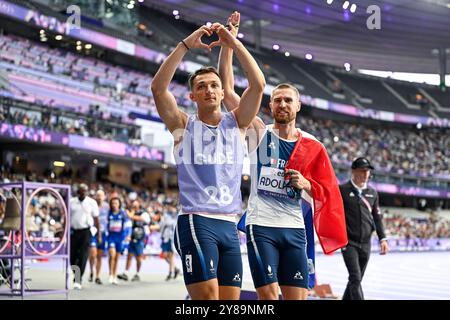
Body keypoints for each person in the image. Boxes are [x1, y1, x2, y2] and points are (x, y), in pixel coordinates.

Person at [219, 12, 347, 300]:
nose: (282, 104)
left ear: (298, 105)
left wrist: (305, 184)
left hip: (294, 229)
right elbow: (227, 91)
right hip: (261, 226)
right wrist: (229, 42)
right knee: (268, 297)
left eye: (288, 100)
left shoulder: (313, 145)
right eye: (277, 100)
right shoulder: (259, 133)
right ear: (270, 105)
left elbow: (327, 193)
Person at [151, 20, 265, 300]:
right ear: (192, 95)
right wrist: (185, 45)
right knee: (208, 300)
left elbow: (258, 85)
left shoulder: (238, 123)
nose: (210, 90)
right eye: (202, 86)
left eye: (215, 85)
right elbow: (158, 89)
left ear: (222, 92)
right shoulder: (182, 125)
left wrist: (233, 44)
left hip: (228, 224)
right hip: (196, 220)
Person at [339, 157, 389, 300]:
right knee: (355, 278)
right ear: (353, 171)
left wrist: (383, 238)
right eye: (362, 170)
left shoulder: (373, 193)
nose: (366, 174)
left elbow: (377, 217)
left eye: (367, 171)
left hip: (366, 244)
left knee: (356, 280)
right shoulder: (342, 190)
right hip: (348, 243)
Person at [69, 183, 100, 290]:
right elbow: (67, 217)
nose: (83, 193)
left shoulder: (92, 202)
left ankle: (78, 279)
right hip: (73, 232)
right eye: (81, 191)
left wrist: (99, 234)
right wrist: (64, 231)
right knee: (72, 257)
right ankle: (76, 274)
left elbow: (96, 219)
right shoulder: (71, 202)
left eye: (85, 191)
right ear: (78, 192)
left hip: (86, 231)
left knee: (82, 256)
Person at [117, 199, 150, 282]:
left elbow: (144, 219)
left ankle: (137, 274)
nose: (134, 206)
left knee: (139, 256)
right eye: (133, 204)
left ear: (139, 204)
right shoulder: (130, 213)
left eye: (135, 204)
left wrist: (131, 216)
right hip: (131, 237)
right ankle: (126, 273)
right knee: (129, 255)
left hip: (140, 237)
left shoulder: (143, 213)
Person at [106, 197, 129, 285]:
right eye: (112, 203)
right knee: (112, 255)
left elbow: (127, 225)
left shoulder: (122, 213)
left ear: (119, 204)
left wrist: (127, 235)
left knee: (117, 258)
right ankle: (110, 274)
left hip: (120, 238)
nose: (114, 205)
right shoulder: (109, 213)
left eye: (116, 203)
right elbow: (106, 224)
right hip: (111, 237)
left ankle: (114, 275)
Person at [88, 189, 109, 285]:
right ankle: (91, 271)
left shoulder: (107, 207)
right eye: (98, 195)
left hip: (103, 233)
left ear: (104, 197)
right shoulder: (91, 205)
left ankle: (97, 276)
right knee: (93, 254)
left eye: (101, 195)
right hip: (93, 232)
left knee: (99, 256)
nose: (99, 197)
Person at [159, 203, 180, 281]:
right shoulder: (166, 215)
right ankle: (175, 269)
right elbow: (162, 225)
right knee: (164, 256)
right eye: (170, 207)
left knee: (171, 256)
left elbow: (171, 224)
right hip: (165, 237)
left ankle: (170, 273)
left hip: (172, 238)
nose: (171, 208)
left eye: (172, 207)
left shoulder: (177, 216)